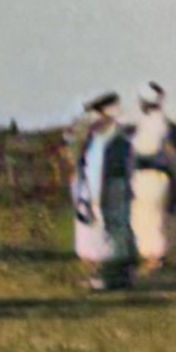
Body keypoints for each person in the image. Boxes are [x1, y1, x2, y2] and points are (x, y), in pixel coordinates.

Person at [71, 92, 137, 291]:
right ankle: (110, 277)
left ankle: (113, 278)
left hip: (110, 191)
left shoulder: (116, 139)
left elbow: (114, 170)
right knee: (102, 236)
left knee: (112, 235)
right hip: (97, 191)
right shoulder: (94, 138)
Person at [129, 82, 175, 275]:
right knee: (151, 217)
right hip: (151, 176)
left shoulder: (149, 125)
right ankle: (153, 257)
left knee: (149, 217)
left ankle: (154, 258)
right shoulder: (164, 124)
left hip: (152, 175)